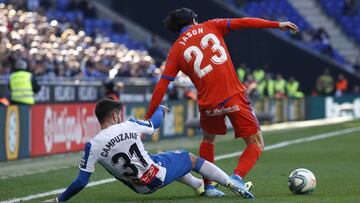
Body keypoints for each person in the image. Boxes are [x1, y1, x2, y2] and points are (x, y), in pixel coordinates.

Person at [145, 8, 298, 197]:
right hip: (233, 96)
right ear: (193, 20)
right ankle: (237, 178)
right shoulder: (211, 25)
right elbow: (244, 22)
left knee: (208, 140)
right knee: (256, 143)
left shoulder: (176, 49)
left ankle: (209, 187)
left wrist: (147, 118)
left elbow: (161, 86)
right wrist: (276, 25)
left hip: (208, 104)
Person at [44, 99, 255, 202]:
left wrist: (59, 200)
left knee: (160, 157)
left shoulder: (93, 145)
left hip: (138, 188)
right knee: (188, 158)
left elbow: (81, 181)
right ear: (116, 116)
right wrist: (161, 109)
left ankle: (199, 185)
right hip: (156, 176)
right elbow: (154, 124)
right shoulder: (129, 125)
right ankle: (232, 183)